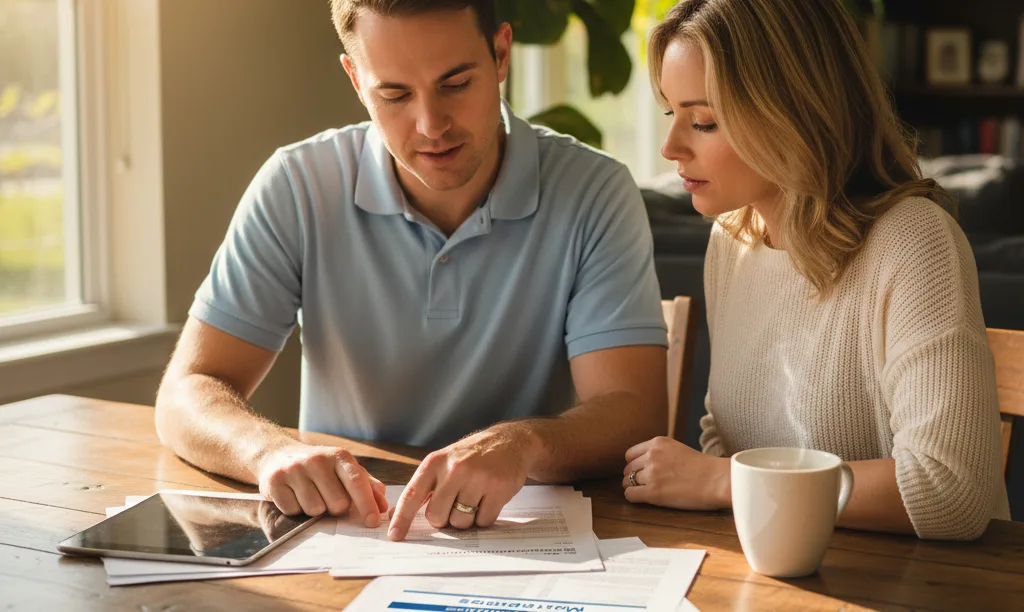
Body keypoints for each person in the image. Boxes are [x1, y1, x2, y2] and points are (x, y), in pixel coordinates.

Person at [155, 0, 669, 543]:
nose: (431, 126)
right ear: (356, 79)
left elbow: (633, 413)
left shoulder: (595, 193)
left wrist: (524, 444)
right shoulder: (297, 186)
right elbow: (187, 390)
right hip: (351, 536)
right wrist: (269, 452)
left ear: (500, 54)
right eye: (395, 94)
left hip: (524, 534)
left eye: (455, 84)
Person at [622, 0, 1009, 540]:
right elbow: (726, 439)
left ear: (793, 112)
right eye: (671, 114)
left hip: (913, 576)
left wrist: (719, 481)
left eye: (704, 121)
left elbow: (950, 489)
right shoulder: (732, 241)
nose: (670, 148)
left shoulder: (915, 243)